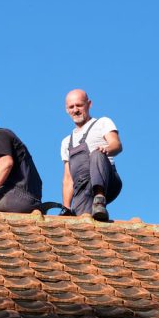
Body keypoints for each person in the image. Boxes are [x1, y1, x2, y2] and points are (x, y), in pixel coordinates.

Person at [60, 89, 123, 221]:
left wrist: (106, 149)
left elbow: (116, 145)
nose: (75, 110)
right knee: (82, 222)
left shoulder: (103, 122)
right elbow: (68, 178)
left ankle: (99, 199)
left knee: (96, 154)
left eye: (79, 105)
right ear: (67, 110)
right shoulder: (66, 142)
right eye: (71, 107)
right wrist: (66, 208)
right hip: (83, 189)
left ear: (89, 104)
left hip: (107, 179)